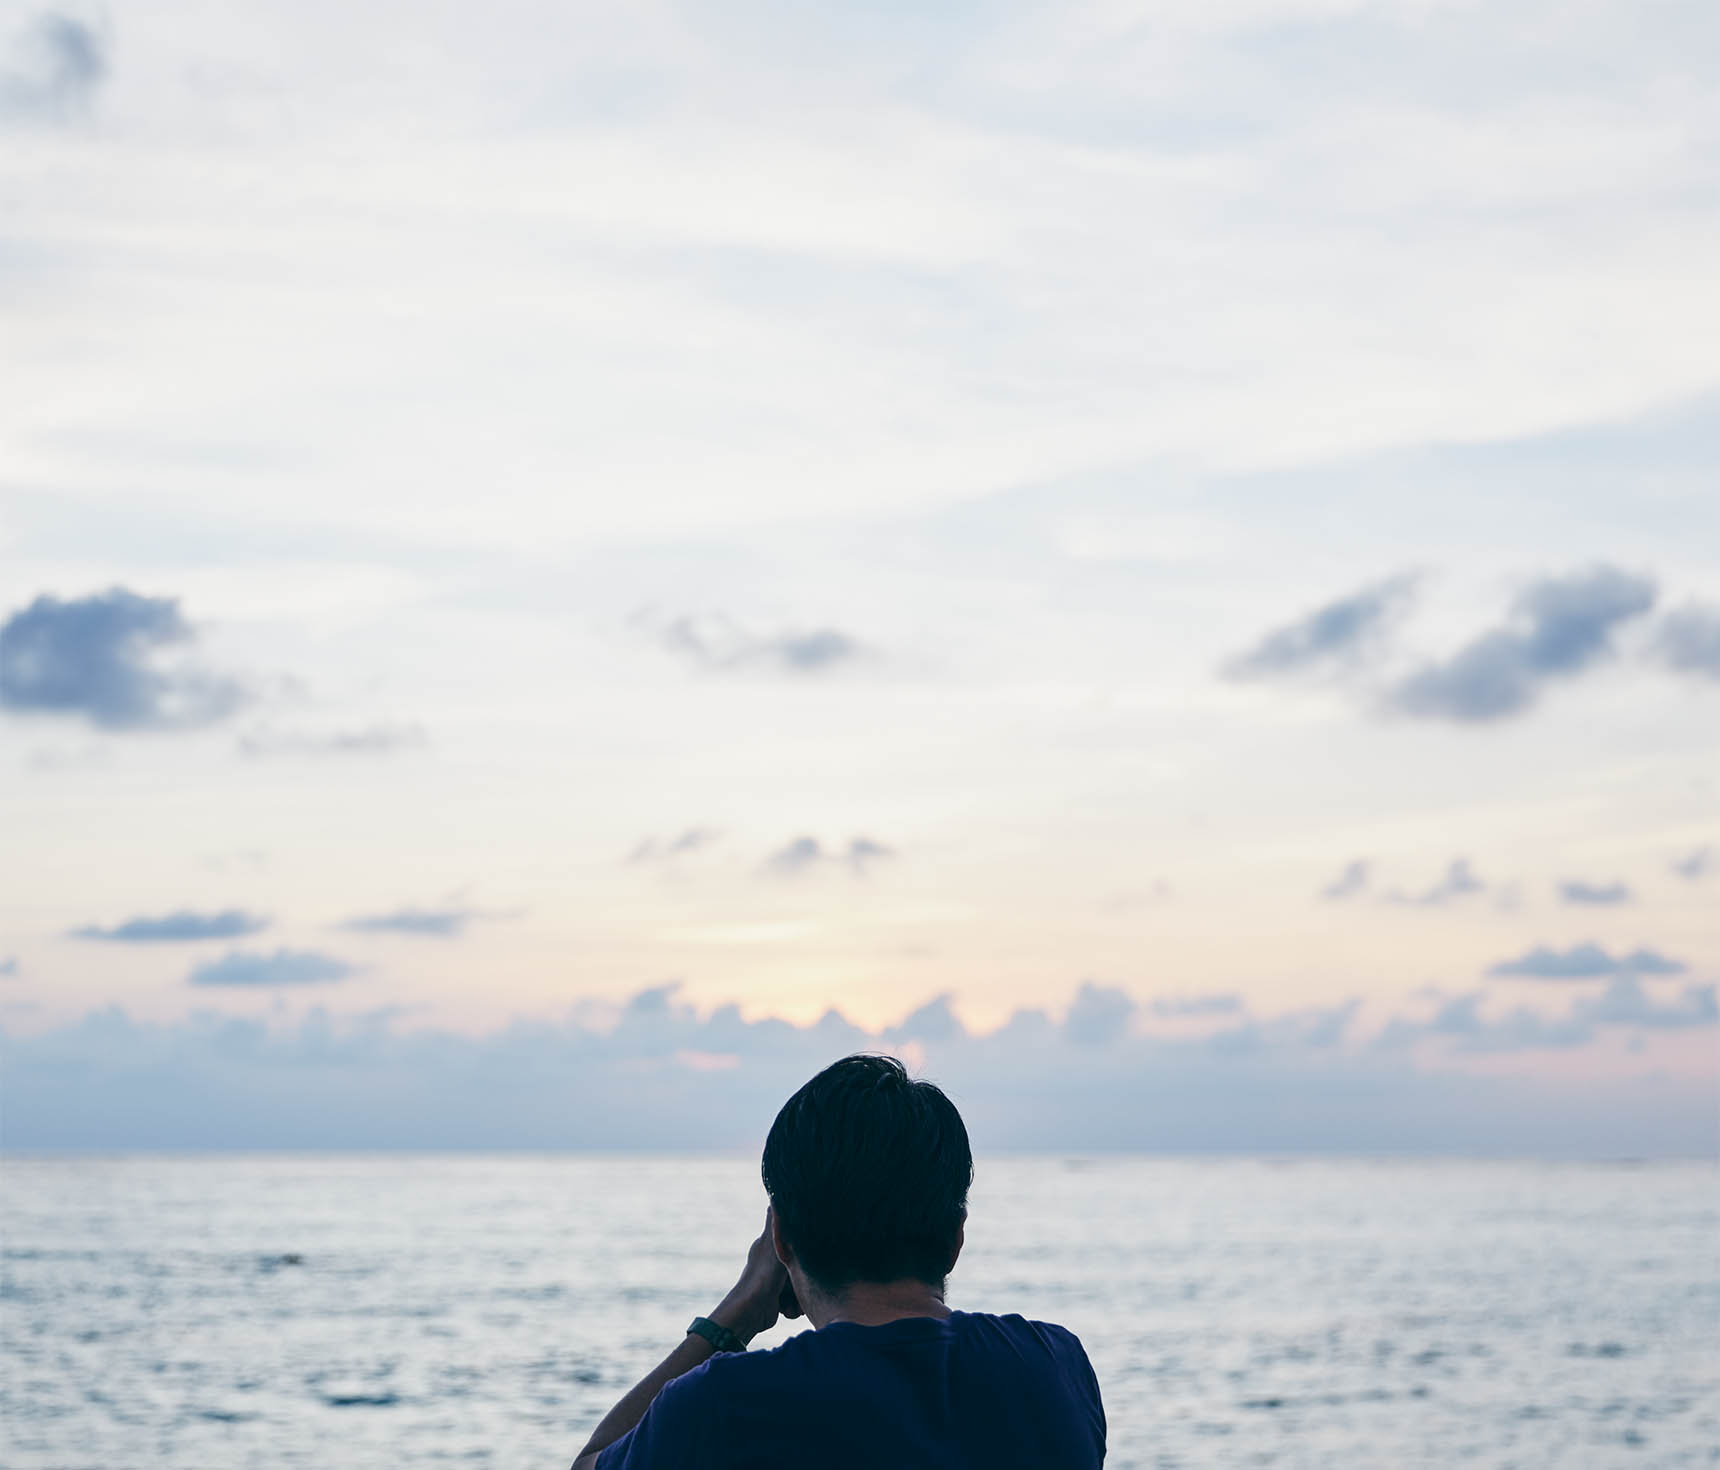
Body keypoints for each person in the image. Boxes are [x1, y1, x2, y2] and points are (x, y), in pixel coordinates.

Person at [571, 1053, 1106, 1468]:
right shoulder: (1056, 1368)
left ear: (780, 1239)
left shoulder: (724, 1405)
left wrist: (734, 1314)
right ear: (956, 1237)